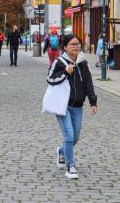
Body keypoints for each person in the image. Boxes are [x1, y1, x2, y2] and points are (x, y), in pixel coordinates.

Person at [46, 34, 97, 179]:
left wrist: (93, 101)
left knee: (75, 138)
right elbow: (50, 79)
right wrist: (65, 72)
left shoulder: (83, 62)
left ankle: (62, 151)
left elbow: (88, 83)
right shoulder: (59, 62)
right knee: (69, 136)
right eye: (72, 44)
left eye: (78, 44)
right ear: (65, 47)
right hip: (63, 105)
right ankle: (70, 166)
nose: (76, 46)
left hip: (78, 106)